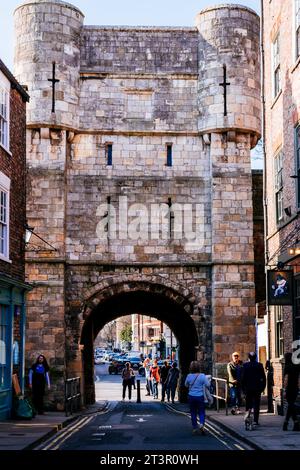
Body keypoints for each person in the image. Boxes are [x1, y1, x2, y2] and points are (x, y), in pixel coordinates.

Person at [185, 360, 210, 435]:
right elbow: (208, 384)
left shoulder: (189, 376)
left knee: (193, 412)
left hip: (191, 396)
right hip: (200, 396)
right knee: (201, 412)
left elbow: (186, 385)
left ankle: (195, 427)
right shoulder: (202, 376)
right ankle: (201, 424)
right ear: (199, 367)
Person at [241, 352, 266, 426]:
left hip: (248, 389)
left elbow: (243, 379)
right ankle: (255, 421)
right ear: (255, 357)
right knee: (256, 405)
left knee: (248, 404)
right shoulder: (259, 365)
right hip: (257, 389)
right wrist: (262, 388)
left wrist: (243, 389)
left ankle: (247, 419)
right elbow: (264, 378)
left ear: (249, 357)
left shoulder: (245, 365)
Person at [282, 352, 300, 431]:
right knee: (291, 405)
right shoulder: (297, 366)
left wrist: (285, 390)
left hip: (289, 388)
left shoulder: (287, 367)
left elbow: (286, 379)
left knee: (291, 405)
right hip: (295, 388)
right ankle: (289, 424)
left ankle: (292, 422)